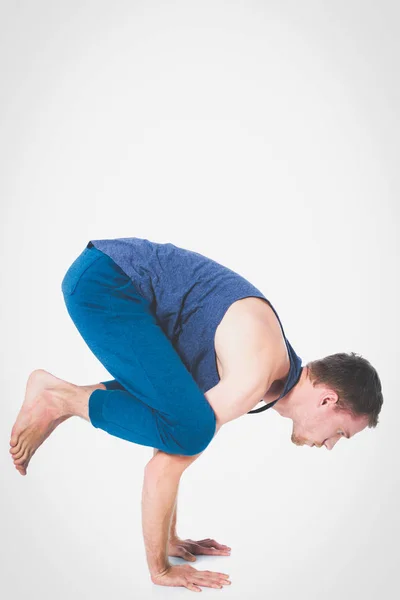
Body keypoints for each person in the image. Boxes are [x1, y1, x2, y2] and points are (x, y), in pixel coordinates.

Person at [9, 237, 383, 592]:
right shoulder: (256, 371)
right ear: (327, 400)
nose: (331, 445)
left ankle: (57, 395)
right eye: (341, 434)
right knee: (192, 428)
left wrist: (170, 538)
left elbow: (169, 442)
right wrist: (160, 568)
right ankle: (58, 398)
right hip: (107, 283)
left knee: (187, 423)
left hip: (107, 278)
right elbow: (165, 463)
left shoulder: (266, 373)